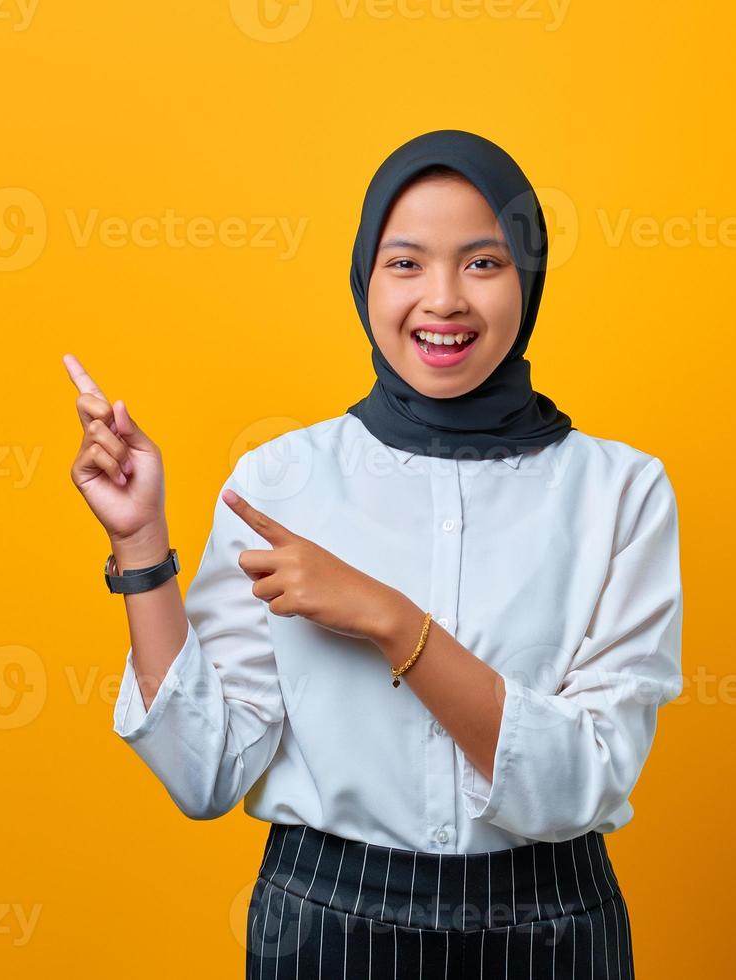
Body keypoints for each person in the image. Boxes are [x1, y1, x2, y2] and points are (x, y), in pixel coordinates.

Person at [62, 130, 682, 978]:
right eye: (404, 263)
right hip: (324, 928)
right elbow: (203, 772)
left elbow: (582, 781)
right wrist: (138, 543)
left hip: (551, 931)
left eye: (482, 262)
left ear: (527, 281)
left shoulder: (621, 491)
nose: (442, 299)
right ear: (363, 276)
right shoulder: (281, 480)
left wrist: (392, 622)